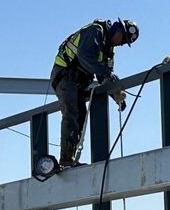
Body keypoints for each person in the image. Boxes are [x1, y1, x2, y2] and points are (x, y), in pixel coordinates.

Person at [49, 18, 139, 168]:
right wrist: (106, 72)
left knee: (81, 118)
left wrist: (117, 95)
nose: (121, 43)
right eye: (123, 39)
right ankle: (66, 159)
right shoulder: (95, 31)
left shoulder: (108, 51)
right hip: (65, 75)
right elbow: (85, 57)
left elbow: (104, 77)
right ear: (118, 29)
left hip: (78, 83)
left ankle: (71, 159)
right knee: (71, 113)